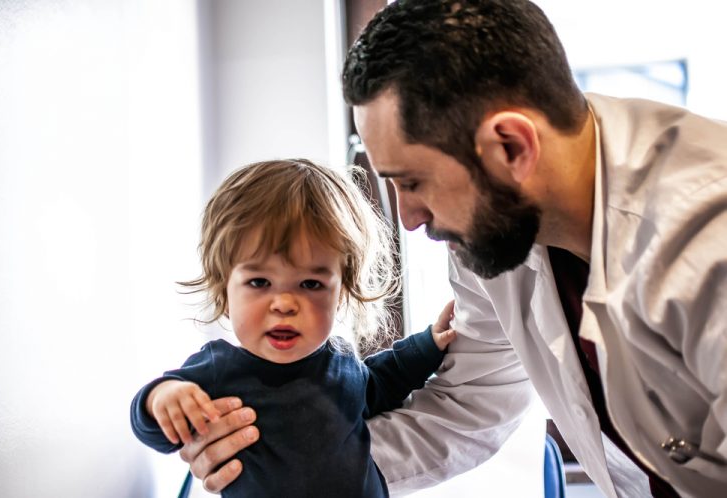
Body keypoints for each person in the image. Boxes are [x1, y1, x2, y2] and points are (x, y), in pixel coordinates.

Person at [177, 2, 727, 497]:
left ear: (510, 145)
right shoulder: (494, 228)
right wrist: (284, 462)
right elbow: (471, 405)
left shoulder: (708, 240)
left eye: (412, 182)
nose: (410, 219)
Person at [130, 159, 456, 497]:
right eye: (260, 281)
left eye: (311, 284)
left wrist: (429, 345)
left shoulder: (342, 362)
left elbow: (380, 384)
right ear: (225, 289)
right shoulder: (219, 370)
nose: (284, 303)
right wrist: (161, 399)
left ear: (341, 292)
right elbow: (155, 430)